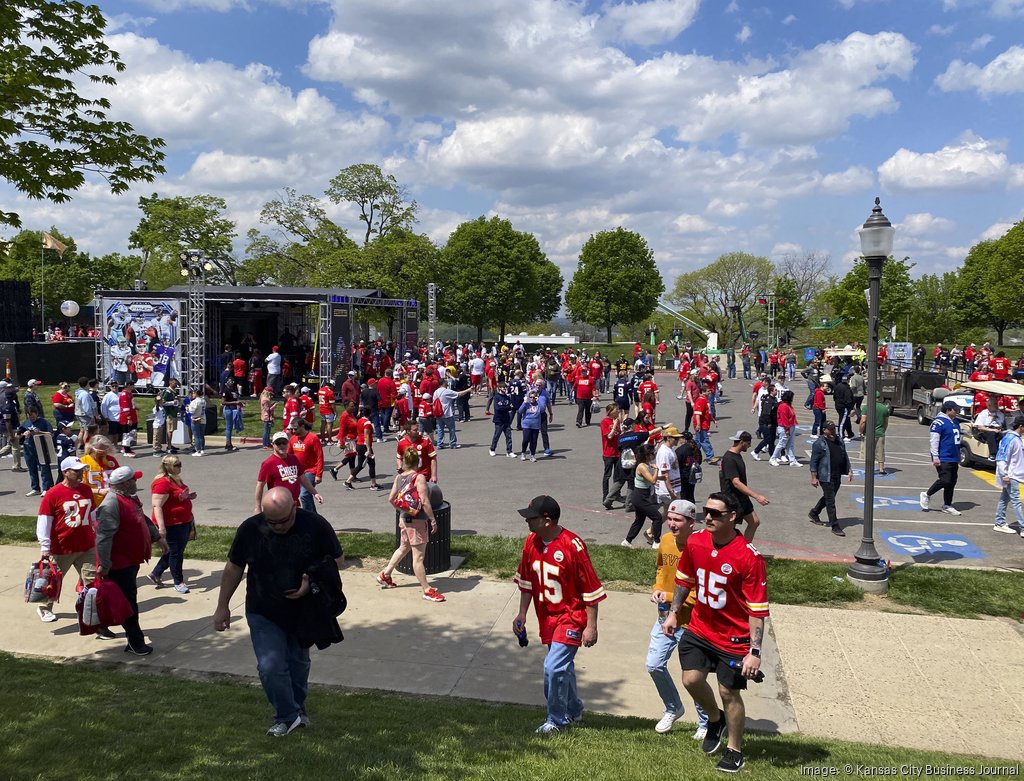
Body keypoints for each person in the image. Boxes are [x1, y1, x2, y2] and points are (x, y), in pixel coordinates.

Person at [214, 486, 344, 737]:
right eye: (271, 522)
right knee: (270, 666)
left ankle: (297, 710)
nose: (278, 527)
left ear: (294, 507)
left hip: (304, 611)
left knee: (298, 663)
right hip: (263, 609)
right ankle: (286, 716)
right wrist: (222, 606)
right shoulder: (250, 529)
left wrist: (311, 581)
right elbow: (233, 567)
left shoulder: (315, 525)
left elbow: (337, 561)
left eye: (284, 521)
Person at [662, 492, 769, 774]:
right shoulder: (696, 542)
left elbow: (757, 610)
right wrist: (674, 612)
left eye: (715, 513)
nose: (707, 517)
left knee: (728, 691)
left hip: (733, 637)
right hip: (699, 628)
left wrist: (754, 652)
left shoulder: (749, 556)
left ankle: (734, 750)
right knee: (691, 679)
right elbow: (684, 580)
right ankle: (714, 718)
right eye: (706, 511)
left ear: (732, 517)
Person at [513, 495, 605, 734]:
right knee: (564, 668)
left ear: (547, 521)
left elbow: (591, 589)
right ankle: (574, 710)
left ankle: (556, 722)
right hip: (546, 618)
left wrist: (591, 626)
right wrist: (522, 614)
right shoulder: (530, 542)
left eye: (531, 518)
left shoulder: (573, 546)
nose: (527, 522)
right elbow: (526, 583)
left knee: (553, 668)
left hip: (571, 616)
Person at [646, 499, 709, 737]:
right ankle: (673, 708)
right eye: (670, 519)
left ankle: (706, 722)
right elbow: (661, 569)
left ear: (692, 523)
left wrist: (670, 595)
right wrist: (656, 588)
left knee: (692, 676)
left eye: (678, 520)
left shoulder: (701, 548)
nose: (671, 524)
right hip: (664, 617)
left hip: (693, 623)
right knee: (653, 665)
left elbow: (702, 590)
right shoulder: (664, 541)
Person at [34, 456, 108, 634]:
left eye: (82, 470)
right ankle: (45, 607)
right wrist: (45, 547)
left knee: (92, 582)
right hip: (61, 547)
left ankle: (90, 612)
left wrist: (96, 529)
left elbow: (91, 513)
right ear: (65, 472)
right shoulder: (53, 494)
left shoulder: (86, 490)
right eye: (76, 470)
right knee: (54, 581)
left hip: (86, 545)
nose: (81, 473)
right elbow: (44, 521)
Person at [95, 466, 156, 656]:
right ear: (124, 483)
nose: (136, 483)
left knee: (129, 601)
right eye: (133, 480)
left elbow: (141, 517)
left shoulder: (129, 497)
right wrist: (104, 564)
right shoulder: (111, 503)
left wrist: (156, 536)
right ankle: (136, 643)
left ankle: (132, 640)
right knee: (129, 603)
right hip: (119, 563)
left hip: (131, 560)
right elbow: (103, 537)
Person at [376, 448, 445, 602]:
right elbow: (425, 501)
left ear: (405, 462)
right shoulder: (419, 477)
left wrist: (402, 511)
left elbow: (391, 498)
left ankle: (385, 574)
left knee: (403, 548)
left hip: (404, 519)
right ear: (418, 462)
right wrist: (432, 519)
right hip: (417, 521)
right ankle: (427, 590)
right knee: (418, 558)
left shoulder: (399, 477)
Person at [148, 455, 197, 593]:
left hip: (184, 522)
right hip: (172, 524)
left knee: (175, 551)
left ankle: (156, 573)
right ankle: (178, 582)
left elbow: (175, 497)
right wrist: (161, 528)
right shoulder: (162, 483)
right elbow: (157, 506)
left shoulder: (175, 479)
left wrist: (187, 496)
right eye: (177, 464)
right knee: (176, 553)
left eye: (180, 463)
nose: (180, 466)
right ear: (168, 467)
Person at [255, 431, 324, 512]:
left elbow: (303, 478)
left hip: (294, 503)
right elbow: (260, 486)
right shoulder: (268, 463)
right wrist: (258, 507)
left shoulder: (293, 458)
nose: (282, 445)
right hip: (278, 505)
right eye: (278, 443)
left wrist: (315, 493)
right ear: (273, 445)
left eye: (284, 442)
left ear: (288, 443)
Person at [719, 431, 768, 542]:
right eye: (748, 443)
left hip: (742, 497)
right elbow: (736, 482)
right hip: (733, 499)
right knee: (731, 529)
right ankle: (728, 551)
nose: (750, 446)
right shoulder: (729, 458)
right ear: (741, 442)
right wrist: (757, 496)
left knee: (754, 522)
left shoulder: (737, 455)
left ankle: (745, 548)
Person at [807, 421, 853, 537]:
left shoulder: (839, 440)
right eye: (830, 429)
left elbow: (845, 456)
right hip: (825, 476)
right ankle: (835, 526)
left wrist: (849, 470)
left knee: (829, 497)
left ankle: (814, 512)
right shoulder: (819, 443)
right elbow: (814, 462)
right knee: (830, 501)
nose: (833, 431)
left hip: (837, 474)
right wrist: (813, 478)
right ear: (824, 430)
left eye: (834, 429)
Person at [921, 400, 963, 515]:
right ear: (948, 410)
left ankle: (947, 505)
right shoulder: (938, 423)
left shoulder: (955, 422)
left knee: (952, 481)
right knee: (945, 479)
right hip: (943, 456)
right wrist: (935, 456)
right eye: (955, 410)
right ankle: (927, 494)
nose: (957, 412)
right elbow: (934, 441)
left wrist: (958, 455)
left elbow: (956, 439)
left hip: (953, 456)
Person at [623, 443, 663, 548]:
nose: (654, 455)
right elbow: (653, 481)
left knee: (639, 520)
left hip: (641, 496)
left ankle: (627, 541)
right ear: (647, 455)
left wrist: (661, 477)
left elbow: (650, 479)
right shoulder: (642, 466)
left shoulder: (645, 465)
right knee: (657, 517)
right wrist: (657, 470)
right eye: (652, 454)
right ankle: (657, 542)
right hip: (640, 497)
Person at [994, 414, 1024, 536]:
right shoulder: (1010, 439)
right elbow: (1001, 458)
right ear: (1021, 426)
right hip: (1011, 476)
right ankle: (1023, 526)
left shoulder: (1016, 438)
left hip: (1014, 475)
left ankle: (999, 522)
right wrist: (1004, 474)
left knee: (1004, 499)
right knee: (1016, 501)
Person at [18, 407, 56, 497]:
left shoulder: (43, 422)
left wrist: (39, 432)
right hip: (28, 449)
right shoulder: (25, 423)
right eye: (30, 417)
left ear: (37, 414)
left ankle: (46, 488)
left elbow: (50, 433)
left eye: (33, 417)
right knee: (32, 469)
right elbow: (17, 435)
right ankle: (35, 488)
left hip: (41, 448)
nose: (32, 418)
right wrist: (24, 434)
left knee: (44, 468)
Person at [344, 407, 380, 491]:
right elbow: (366, 436)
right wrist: (368, 449)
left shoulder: (359, 420)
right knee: (371, 464)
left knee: (360, 465)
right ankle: (373, 484)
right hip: (364, 445)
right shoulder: (367, 423)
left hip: (359, 444)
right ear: (369, 414)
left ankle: (348, 481)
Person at [600, 404, 625, 509]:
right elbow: (609, 436)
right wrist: (614, 425)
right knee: (607, 475)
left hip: (617, 452)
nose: (618, 412)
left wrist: (621, 429)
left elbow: (618, 434)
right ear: (610, 411)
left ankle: (616, 494)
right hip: (608, 453)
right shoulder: (604, 422)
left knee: (618, 475)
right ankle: (605, 495)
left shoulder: (617, 420)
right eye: (616, 410)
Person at [859, 391, 890, 475]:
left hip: (868, 433)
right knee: (880, 451)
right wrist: (883, 430)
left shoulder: (867, 407)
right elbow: (886, 422)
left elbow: (863, 421)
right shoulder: (884, 408)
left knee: (868, 452)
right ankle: (881, 469)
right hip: (880, 432)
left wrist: (861, 431)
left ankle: (868, 469)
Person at [769, 390, 800, 467]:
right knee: (781, 444)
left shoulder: (787, 405)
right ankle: (773, 458)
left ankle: (792, 460)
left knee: (790, 444)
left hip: (791, 426)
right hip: (784, 427)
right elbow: (784, 418)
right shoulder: (783, 406)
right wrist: (787, 429)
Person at [518, 387, 547, 462]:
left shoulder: (538, 404)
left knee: (534, 441)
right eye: (531, 397)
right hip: (526, 424)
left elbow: (542, 409)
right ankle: (523, 452)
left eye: (534, 397)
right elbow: (520, 411)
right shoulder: (526, 403)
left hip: (535, 425)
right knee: (526, 439)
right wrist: (524, 403)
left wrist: (539, 401)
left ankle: (532, 455)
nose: (532, 399)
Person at [973, 396, 1006, 462]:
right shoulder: (983, 413)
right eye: (995, 404)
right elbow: (980, 427)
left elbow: (1003, 425)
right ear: (989, 405)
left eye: (997, 404)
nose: (997, 406)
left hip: (998, 430)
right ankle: (993, 454)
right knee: (992, 434)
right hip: (985, 431)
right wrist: (992, 430)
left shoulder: (1000, 414)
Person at [489, 380, 515, 457]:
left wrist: (507, 407)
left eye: (505, 387)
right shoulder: (497, 397)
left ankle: (509, 451)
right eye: (503, 387)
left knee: (509, 436)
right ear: (499, 388)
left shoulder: (507, 397)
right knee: (497, 435)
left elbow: (511, 407)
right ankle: (492, 449)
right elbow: (498, 408)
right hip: (499, 420)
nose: (505, 389)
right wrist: (507, 407)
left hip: (506, 419)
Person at [222, 378, 243, 452]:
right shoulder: (225, 391)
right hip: (228, 409)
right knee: (229, 427)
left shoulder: (233, 390)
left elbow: (235, 398)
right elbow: (223, 402)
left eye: (232, 382)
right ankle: (228, 444)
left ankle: (229, 443)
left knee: (230, 427)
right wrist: (235, 403)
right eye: (230, 383)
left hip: (233, 409)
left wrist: (239, 402)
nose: (232, 384)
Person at [188, 388, 206, 457]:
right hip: (203, 419)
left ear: (196, 394)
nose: (192, 394)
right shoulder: (203, 401)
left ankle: (198, 450)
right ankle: (202, 449)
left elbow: (192, 411)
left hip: (196, 419)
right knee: (201, 435)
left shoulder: (194, 402)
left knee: (196, 435)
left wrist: (188, 408)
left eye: (193, 393)